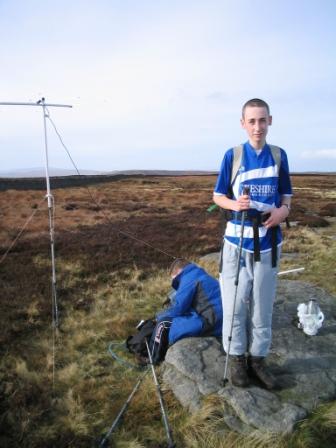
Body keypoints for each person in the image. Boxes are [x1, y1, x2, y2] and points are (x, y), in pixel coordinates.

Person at [213, 98, 292, 388]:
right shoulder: (232, 156)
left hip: (269, 243)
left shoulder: (278, 155)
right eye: (252, 121)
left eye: (262, 120)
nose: (257, 127)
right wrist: (235, 204)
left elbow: (286, 198)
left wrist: (282, 212)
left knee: (262, 306)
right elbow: (218, 196)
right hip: (235, 241)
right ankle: (236, 359)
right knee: (233, 305)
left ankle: (257, 360)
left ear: (270, 121)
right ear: (243, 123)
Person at [156, 258, 223, 345]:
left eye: (175, 280)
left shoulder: (188, 278)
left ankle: (157, 355)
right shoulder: (200, 274)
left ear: (179, 272)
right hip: (223, 320)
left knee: (167, 326)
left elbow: (177, 308)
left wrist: (158, 317)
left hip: (212, 321)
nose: (177, 283)